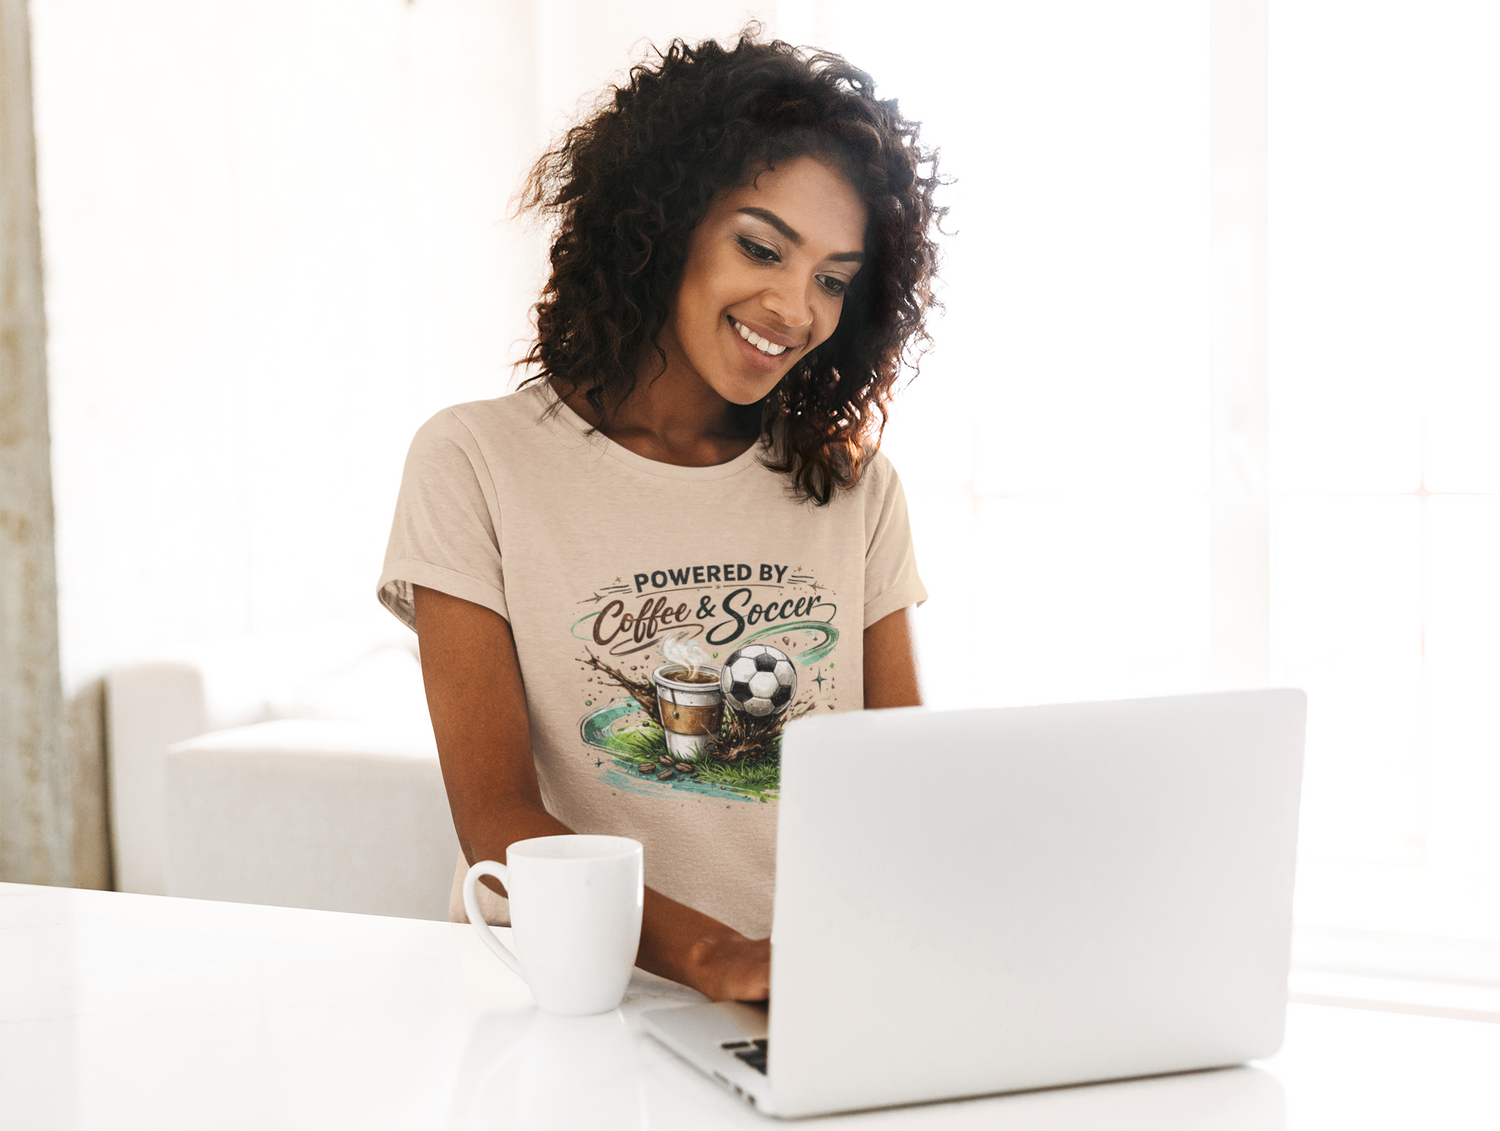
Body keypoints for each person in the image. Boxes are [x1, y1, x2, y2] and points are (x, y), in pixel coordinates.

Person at [377, 31, 943, 1004]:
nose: (796, 308)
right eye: (761, 247)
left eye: (833, 278)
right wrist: (716, 958)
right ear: (663, 222)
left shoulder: (854, 488)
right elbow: (497, 819)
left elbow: (908, 791)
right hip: (570, 995)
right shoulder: (473, 462)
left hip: (805, 998)